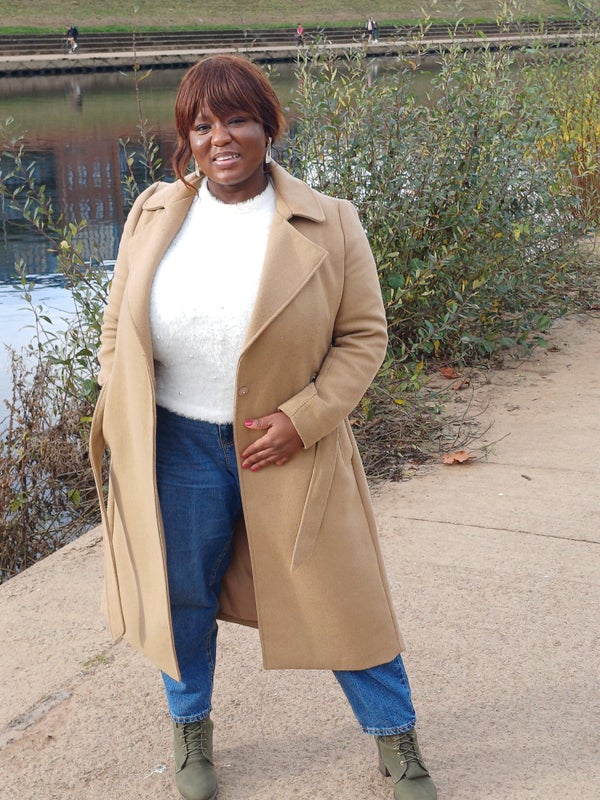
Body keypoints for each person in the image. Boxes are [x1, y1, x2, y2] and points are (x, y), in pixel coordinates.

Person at [89, 54, 437, 800]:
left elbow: (363, 337)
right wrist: (118, 406)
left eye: (238, 119)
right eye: (202, 125)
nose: (220, 138)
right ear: (186, 138)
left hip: (289, 449)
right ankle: (190, 727)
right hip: (177, 445)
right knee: (181, 597)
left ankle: (396, 739)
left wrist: (303, 419)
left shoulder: (330, 220)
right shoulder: (152, 212)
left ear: (269, 127)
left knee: (342, 595)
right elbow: (118, 324)